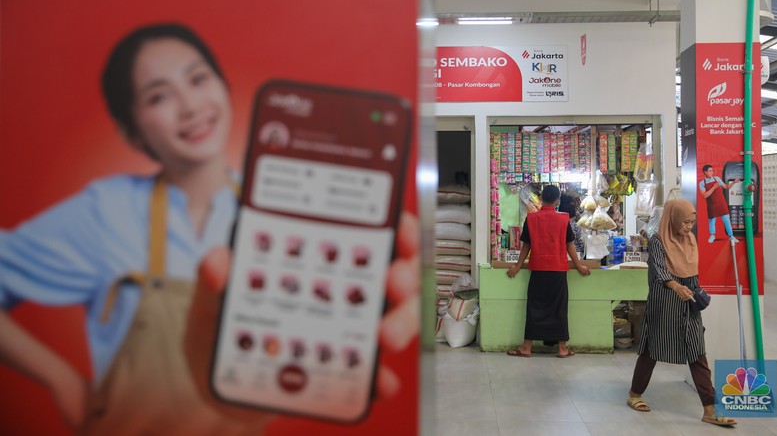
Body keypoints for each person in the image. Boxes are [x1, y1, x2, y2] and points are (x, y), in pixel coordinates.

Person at [0, 23, 418, 434]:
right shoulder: (106, 211)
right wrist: (61, 378)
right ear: (132, 132)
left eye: (198, 79)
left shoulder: (283, 215)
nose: (190, 106)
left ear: (222, 86)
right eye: (159, 95)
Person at [626, 199, 736, 428]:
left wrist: (693, 291)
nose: (688, 227)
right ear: (673, 219)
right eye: (685, 222)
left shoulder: (691, 239)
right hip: (664, 299)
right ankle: (635, 394)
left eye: (692, 222)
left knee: (697, 350)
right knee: (652, 347)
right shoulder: (658, 240)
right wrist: (676, 287)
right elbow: (659, 268)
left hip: (689, 300)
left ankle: (710, 409)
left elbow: (691, 269)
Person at [505, 184, 592, 358]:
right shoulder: (563, 219)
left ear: (541, 198)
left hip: (538, 269)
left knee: (534, 308)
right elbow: (570, 246)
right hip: (558, 270)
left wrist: (516, 266)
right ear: (557, 200)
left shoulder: (531, 218)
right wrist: (579, 265)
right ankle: (562, 349)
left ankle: (527, 348)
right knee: (559, 309)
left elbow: (526, 246)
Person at [698, 164, 740, 244]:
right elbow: (704, 195)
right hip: (711, 205)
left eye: (712, 171)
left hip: (721, 203)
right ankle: (712, 235)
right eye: (710, 171)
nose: (712, 173)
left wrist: (734, 182)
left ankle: (731, 236)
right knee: (712, 221)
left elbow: (726, 187)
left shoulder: (717, 179)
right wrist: (714, 187)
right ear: (705, 172)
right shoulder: (702, 183)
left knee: (727, 220)